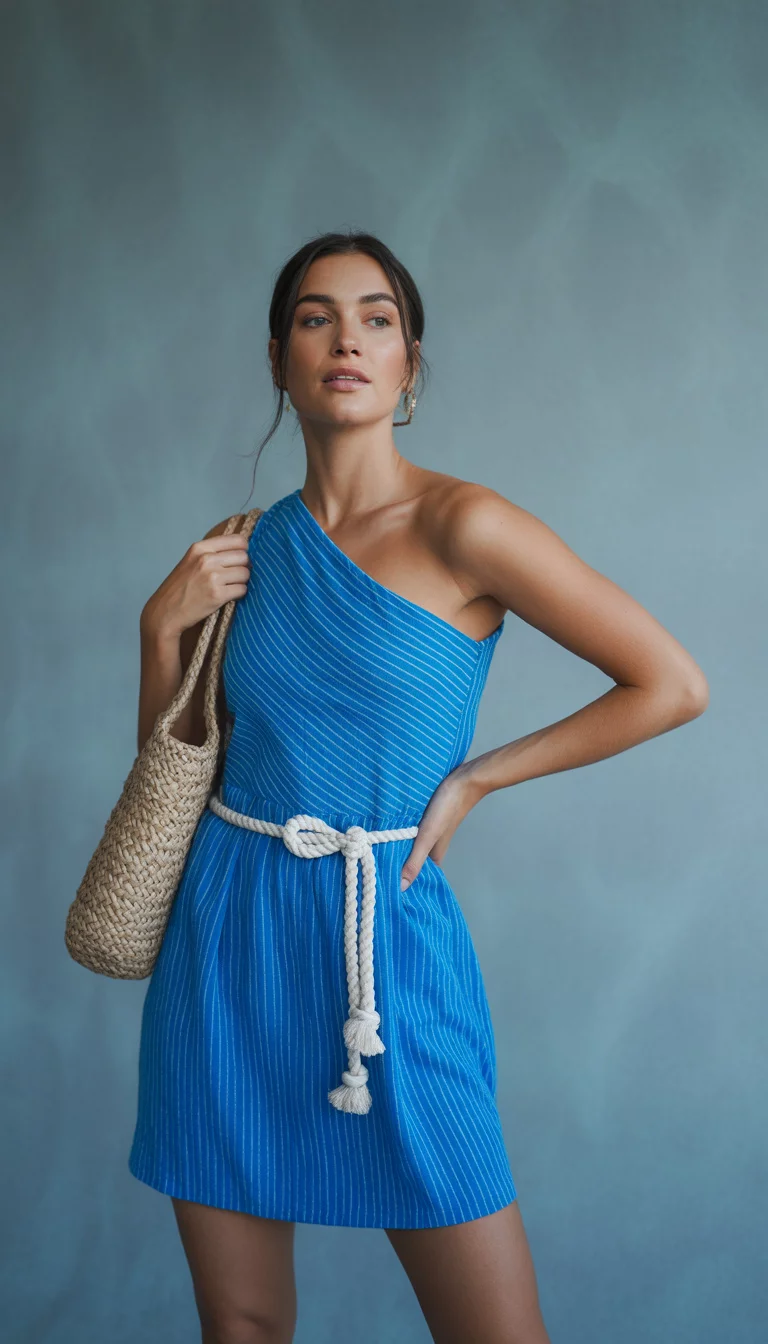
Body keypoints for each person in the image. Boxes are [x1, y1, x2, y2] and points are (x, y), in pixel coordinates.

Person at [128, 230, 708, 1344]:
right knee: (242, 1325)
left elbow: (671, 683)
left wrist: (481, 778)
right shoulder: (241, 549)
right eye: (315, 316)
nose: (347, 337)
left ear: (409, 363)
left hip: (384, 941)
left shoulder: (465, 525)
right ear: (277, 358)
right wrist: (160, 630)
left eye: (376, 317)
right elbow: (167, 778)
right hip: (226, 943)